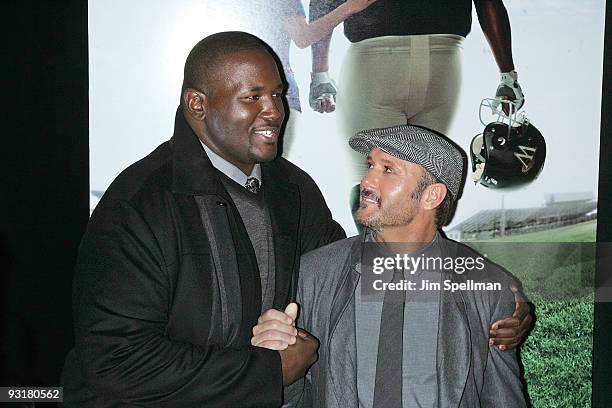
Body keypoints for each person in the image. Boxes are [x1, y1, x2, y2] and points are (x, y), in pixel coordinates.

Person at [60, 31, 346, 407]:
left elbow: (335, 288)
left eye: (277, 94)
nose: (275, 111)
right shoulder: (138, 204)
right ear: (197, 105)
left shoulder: (295, 190)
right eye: (253, 97)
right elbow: (117, 359)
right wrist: (265, 371)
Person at [252, 125, 529, 407]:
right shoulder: (314, 274)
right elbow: (295, 392)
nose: (367, 182)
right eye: (370, 166)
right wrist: (277, 365)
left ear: (431, 196)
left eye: (388, 170)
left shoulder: (486, 286)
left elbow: (503, 397)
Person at [307, 0, 526, 220]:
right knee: (423, 185)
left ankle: (380, 254)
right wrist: (508, 75)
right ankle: (412, 254)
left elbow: (323, 3)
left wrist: (319, 72)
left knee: (373, 184)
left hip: (377, 61)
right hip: (443, 61)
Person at [219, 0, 378, 155]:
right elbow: (303, 36)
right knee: (267, 167)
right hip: (274, 93)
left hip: (255, 91)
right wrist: (349, 7)